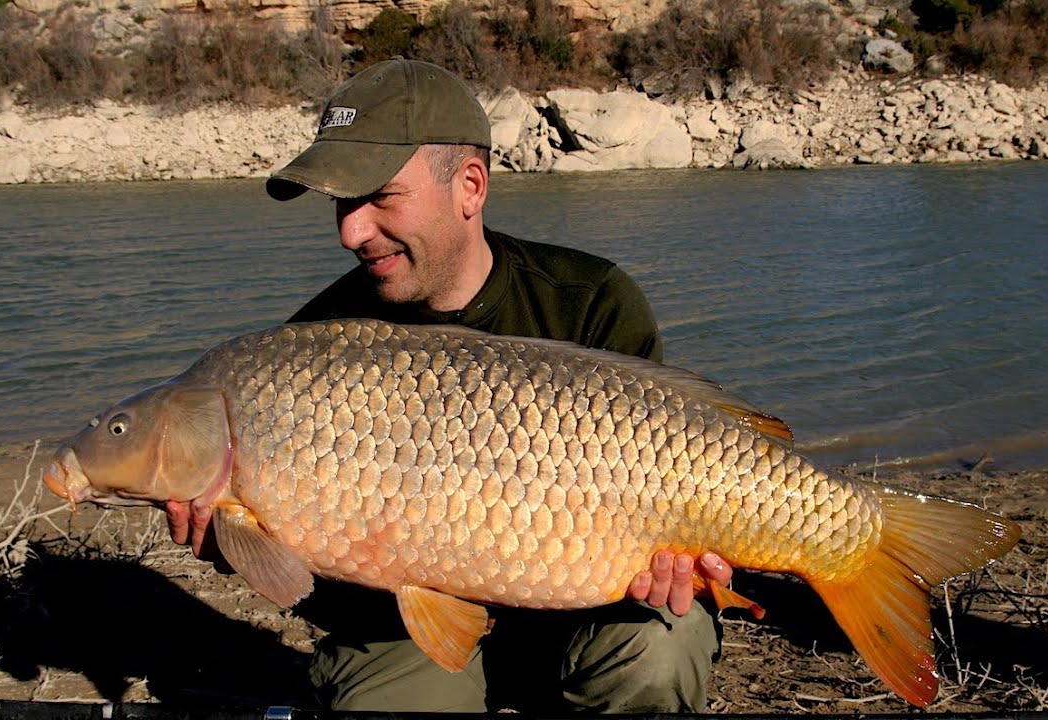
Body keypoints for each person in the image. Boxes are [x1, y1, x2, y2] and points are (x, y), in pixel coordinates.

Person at [164, 57, 736, 713]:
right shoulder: (310, 351)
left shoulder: (591, 302)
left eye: (379, 197)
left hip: (580, 616)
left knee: (665, 644)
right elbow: (319, 594)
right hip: (402, 630)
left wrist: (688, 560)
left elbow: (680, 488)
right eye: (342, 204)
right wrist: (237, 548)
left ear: (470, 187)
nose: (351, 231)